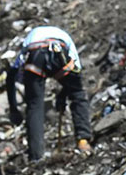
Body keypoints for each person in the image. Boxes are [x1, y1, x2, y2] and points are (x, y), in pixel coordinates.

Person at [6, 26, 92, 162]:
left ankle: (36, 156)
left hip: (35, 54)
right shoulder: (66, 38)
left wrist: (13, 109)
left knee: (34, 106)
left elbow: (11, 76)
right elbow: (75, 78)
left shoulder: (30, 40)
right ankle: (83, 141)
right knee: (78, 95)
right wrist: (65, 93)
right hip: (60, 52)